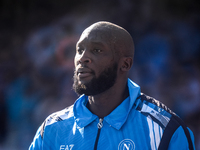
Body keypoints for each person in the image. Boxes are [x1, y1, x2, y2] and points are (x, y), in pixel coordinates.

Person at [29, 21, 195, 150]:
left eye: (97, 50)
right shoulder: (52, 129)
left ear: (125, 64)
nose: (82, 58)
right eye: (80, 50)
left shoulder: (166, 129)